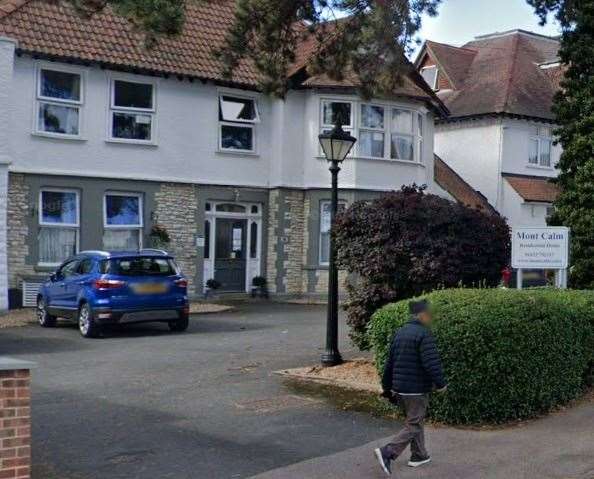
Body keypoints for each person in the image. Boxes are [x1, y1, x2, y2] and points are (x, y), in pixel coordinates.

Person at [374, 299, 447, 476]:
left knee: (416, 421)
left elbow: (389, 362)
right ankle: (388, 452)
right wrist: (441, 383)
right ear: (422, 314)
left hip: (400, 389)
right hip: (416, 389)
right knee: (414, 424)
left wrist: (387, 386)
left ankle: (419, 455)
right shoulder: (423, 334)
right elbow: (431, 363)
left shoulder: (400, 333)